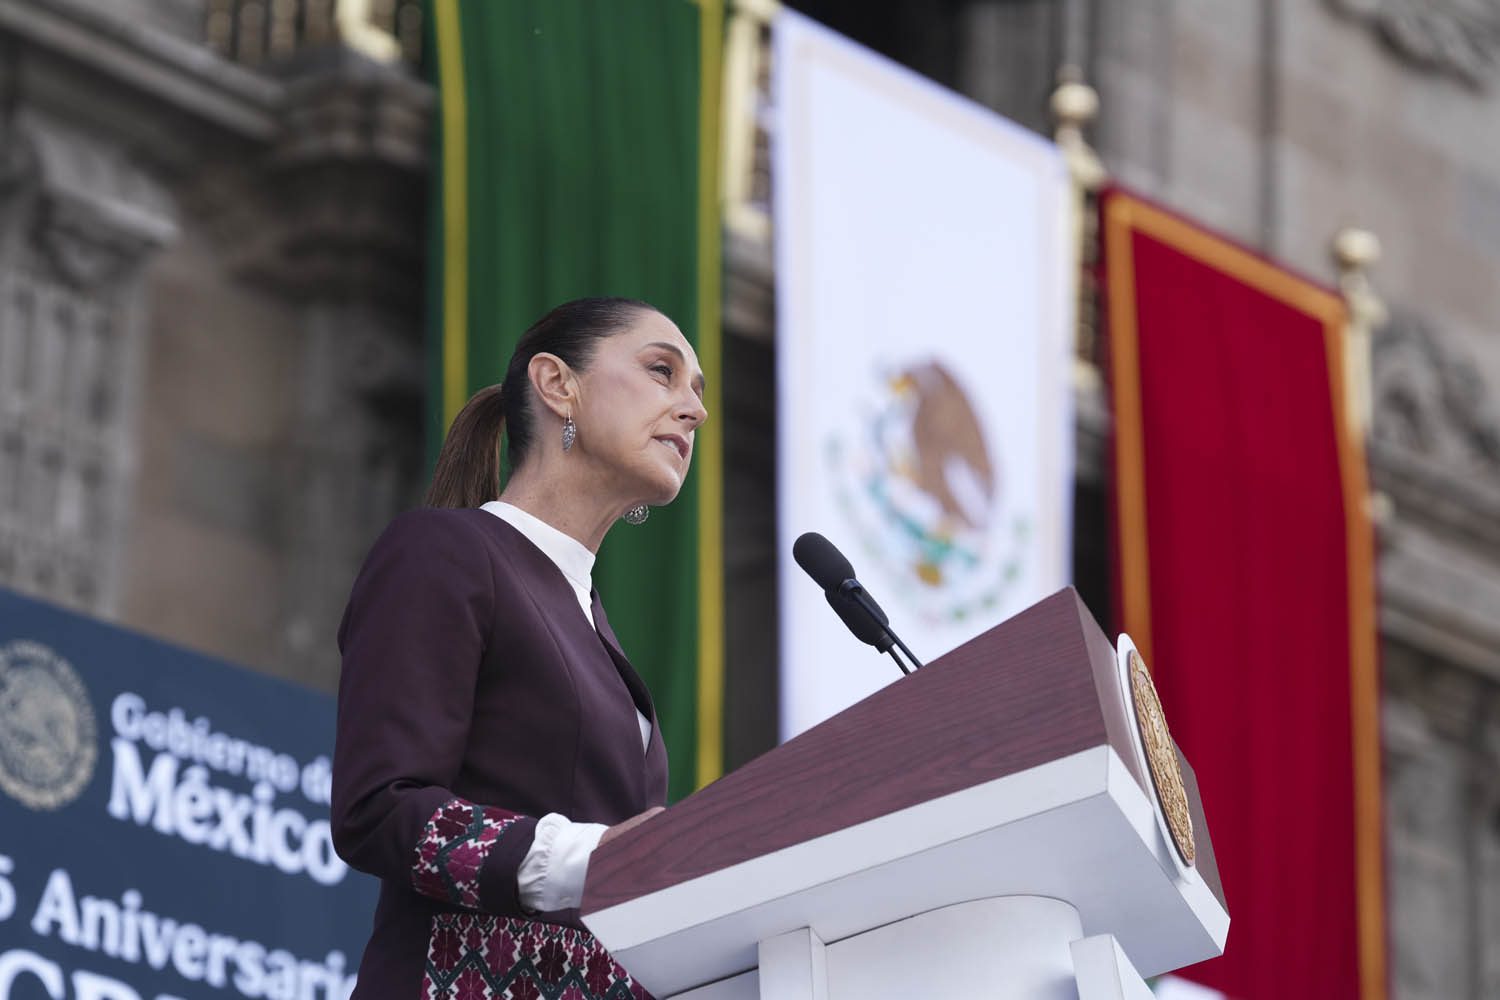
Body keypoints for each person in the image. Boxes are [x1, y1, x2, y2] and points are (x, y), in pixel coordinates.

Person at [331, 297, 707, 1000]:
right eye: (663, 372)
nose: (694, 410)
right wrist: (597, 857)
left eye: (697, 392)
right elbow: (380, 806)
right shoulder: (446, 552)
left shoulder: (590, 619)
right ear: (558, 384)